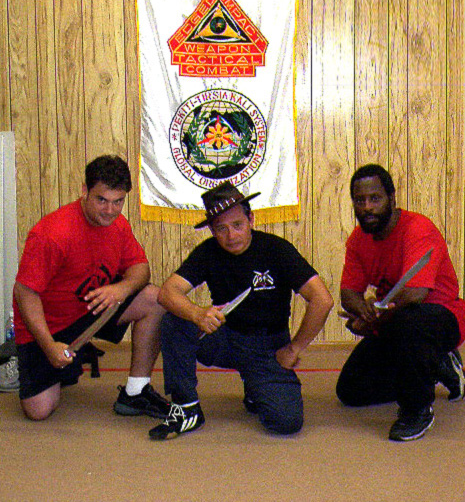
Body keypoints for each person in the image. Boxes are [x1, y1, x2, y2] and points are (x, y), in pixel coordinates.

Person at [149, 182, 334, 440]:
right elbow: (167, 292)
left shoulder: (277, 250)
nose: (231, 235)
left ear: (251, 220)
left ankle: (255, 387)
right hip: (224, 338)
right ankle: (186, 408)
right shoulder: (208, 252)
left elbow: (322, 299)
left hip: (268, 347)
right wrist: (197, 313)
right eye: (221, 229)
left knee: (286, 422)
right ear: (212, 230)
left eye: (237, 225)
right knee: (174, 321)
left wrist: (295, 348)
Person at [13, 155, 169, 421]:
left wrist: (121, 289)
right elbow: (24, 293)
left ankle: (135, 392)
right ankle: (44, 361)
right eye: (102, 200)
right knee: (39, 410)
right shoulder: (52, 233)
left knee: (155, 298)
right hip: (48, 326)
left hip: (92, 310)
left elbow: (141, 269)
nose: (110, 210)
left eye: (118, 201)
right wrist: (49, 345)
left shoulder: (118, 225)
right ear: (84, 191)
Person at [337, 164, 465, 441]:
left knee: (409, 320)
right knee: (350, 390)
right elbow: (348, 294)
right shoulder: (358, 240)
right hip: (393, 321)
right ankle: (437, 366)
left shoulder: (418, 228)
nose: (367, 207)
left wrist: (372, 321)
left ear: (391, 198)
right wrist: (362, 310)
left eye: (375, 198)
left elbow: (415, 295)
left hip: (441, 316)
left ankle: (417, 410)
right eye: (360, 200)